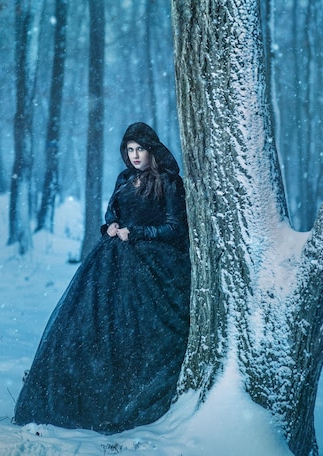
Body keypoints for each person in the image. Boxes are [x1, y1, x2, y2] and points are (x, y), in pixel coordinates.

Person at [14, 122, 191, 434]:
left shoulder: (169, 182)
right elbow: (113, 213)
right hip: (112, 262)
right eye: (130, 150)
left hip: (153, 264)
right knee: (91, 329)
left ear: (152, 149)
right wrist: (110, 227)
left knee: (137, 332)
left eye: (140, 149)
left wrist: (138, 232)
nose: (135, 156)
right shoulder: (124, 178)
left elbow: (176, 228)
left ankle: (126, 401)